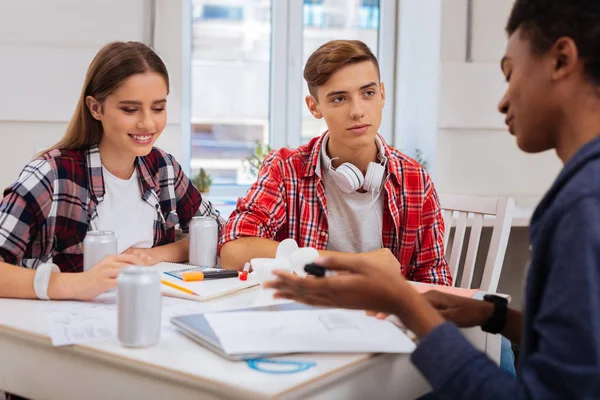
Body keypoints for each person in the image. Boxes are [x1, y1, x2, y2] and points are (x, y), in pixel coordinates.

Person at [265, 0, 600, 398]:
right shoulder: (582, 194)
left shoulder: (583, 206)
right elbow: (580, 349)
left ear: (561, 60)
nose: (502, 101)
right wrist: (499, 316)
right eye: (339, 98)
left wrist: (404, 301)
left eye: (510, 75)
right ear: (315, 107)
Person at [0, 41, 220, 302]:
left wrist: (157, 255)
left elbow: (216, 229)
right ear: (96, 108)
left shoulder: (163, 169)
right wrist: (75, 284)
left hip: (148, 320)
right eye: (130, 109)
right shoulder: (50, 175)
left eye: (158, 108)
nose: (147, 123)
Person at [220, 40, 451, 286]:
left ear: (382, 95)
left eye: (368, 93)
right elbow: (234, 250)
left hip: (381, 318)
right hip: (303, 314)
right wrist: (355, 264)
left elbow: (434, 281)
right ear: (314, 107)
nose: (357, 111)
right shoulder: (285, 169)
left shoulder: (415, 180)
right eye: (339, 99)